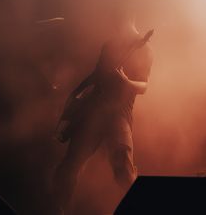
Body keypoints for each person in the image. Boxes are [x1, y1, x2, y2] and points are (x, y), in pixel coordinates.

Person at [52, 19, 153, 212]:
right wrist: (73, 98)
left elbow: (144, 86)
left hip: (119, 114)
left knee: (123, 168)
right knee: (70, 166)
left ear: (130, 17)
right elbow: (96, 76)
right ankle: (56, 211)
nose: (115, 21)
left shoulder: (145, 48)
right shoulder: (109, 45)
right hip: (94, 112)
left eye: (119, 15)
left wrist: (126, 81)